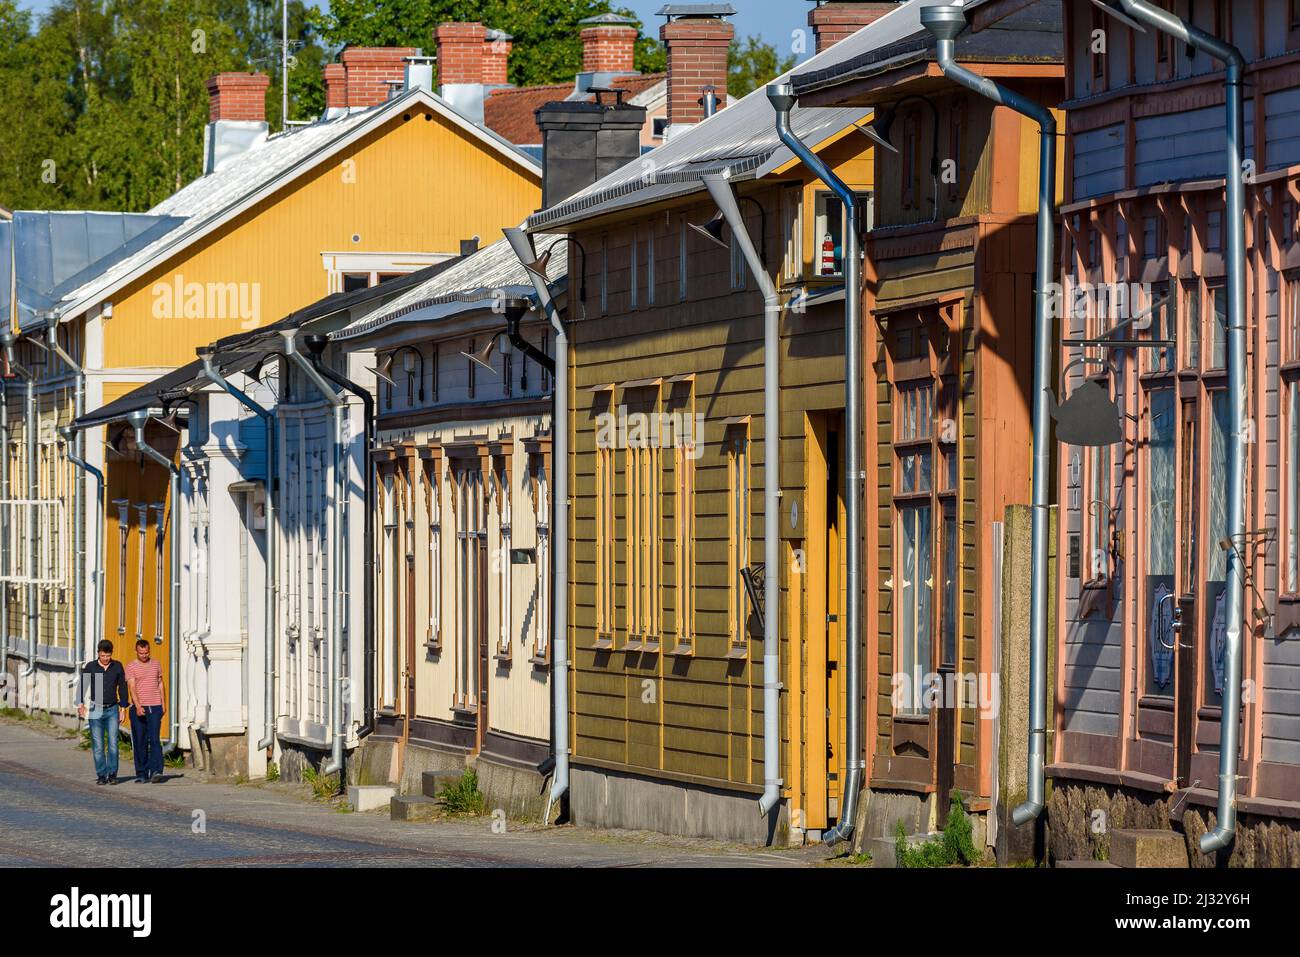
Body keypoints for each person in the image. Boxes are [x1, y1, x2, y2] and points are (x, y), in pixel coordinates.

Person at [76, 640, 129, 785]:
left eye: (108, 655)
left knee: (113, 744)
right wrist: (80, 704)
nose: (106, 658)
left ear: (111, 654)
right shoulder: (91, 667)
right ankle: (101, 774)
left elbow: (123, 688)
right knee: (98, 745)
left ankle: (112, 774)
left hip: (112, 709)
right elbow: (82, 686)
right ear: (98, 653)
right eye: (103, 655)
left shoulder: (117, 666)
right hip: (96, 709)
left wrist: (123, 709)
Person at [125, 638, 166, 783]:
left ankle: (156, 770)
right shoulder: (131, 667)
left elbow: (160, 683)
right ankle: (141, 773)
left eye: (146, 652)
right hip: (139, 708)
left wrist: (163, 703)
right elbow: (132, 688)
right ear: (136, 651)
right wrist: (137, 706)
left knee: (154, 739)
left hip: (155, 707)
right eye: (141, 653)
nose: (144, 655)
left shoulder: (156, 664)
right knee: (140, 741)